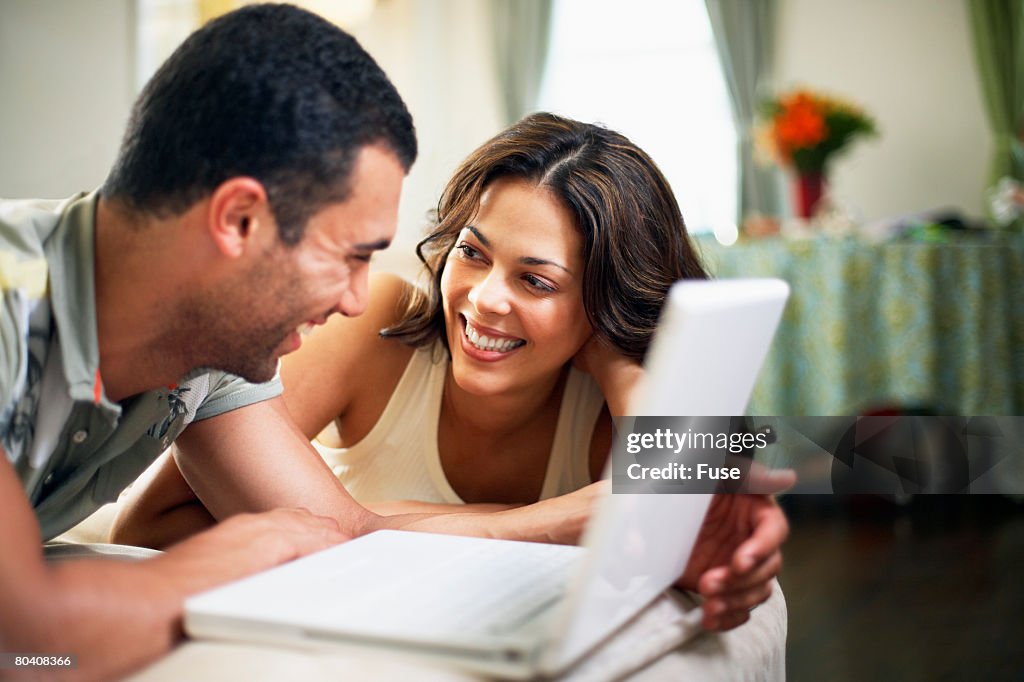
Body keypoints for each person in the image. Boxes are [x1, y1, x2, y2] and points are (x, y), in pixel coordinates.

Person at [0, 8, 602, 680]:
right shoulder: (372, 321)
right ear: (240, 219)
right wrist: (236, 555)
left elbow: (334, 536)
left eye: (541, 282)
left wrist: (657, 472)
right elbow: (30, 640)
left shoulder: (211, 346)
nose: (353, 296)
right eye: (349, 254)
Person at [114, 112, 793, 634]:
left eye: (536, 279)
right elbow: (147, 528)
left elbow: (695, 513)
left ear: (606, 300)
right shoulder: (372, 320)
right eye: (472, 252)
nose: (482, 297)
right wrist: (550, 520)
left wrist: (620, 364)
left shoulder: (621, 391)